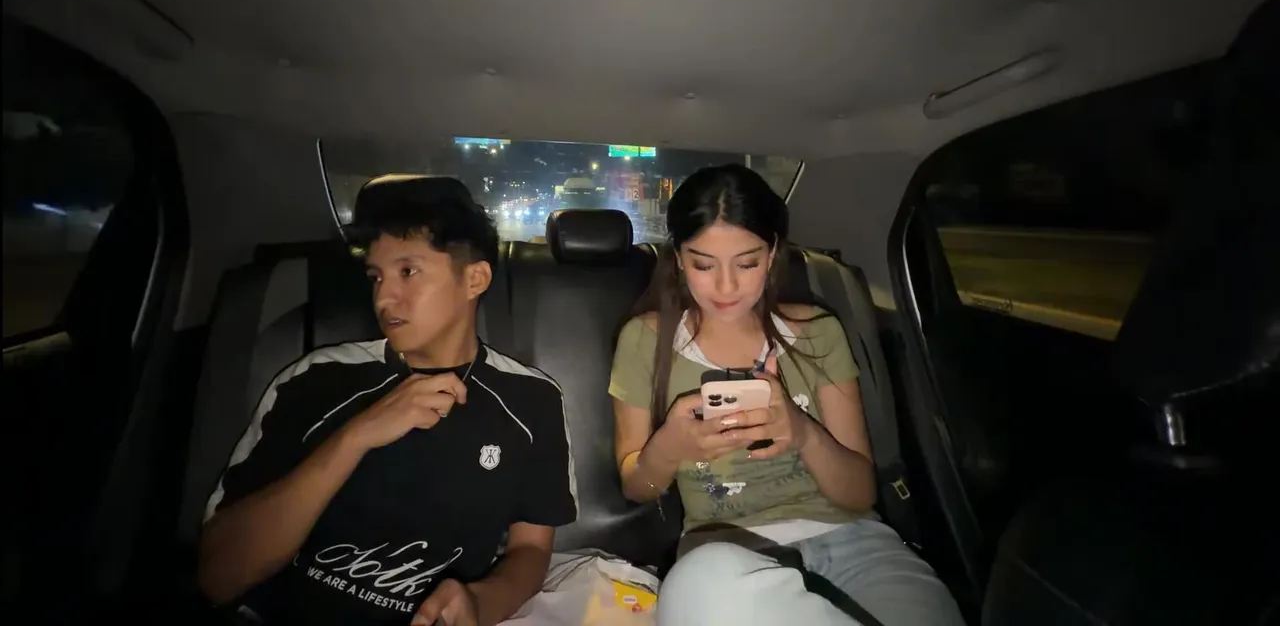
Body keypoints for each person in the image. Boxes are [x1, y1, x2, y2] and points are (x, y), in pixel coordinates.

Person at [197, 176, 577, 626]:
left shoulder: (532, 400)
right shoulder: (316, 379)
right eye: (376, 276)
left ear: (474, 278)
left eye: (407, 272)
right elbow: (217, 577)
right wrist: (355, 437)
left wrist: (479, 603)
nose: (383, 296)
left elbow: (530, 549)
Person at [608, 164, 964, 625]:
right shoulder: (645, 340)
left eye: (747, 263)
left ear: (773, 253)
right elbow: (636, 487)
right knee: (698, 583)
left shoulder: (817, 332)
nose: (726, 286)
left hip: (853, 546)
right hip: (725, 554)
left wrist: (802, 432)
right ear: (677, 258)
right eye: (703, 264)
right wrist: (669, 447)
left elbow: (858, 494)